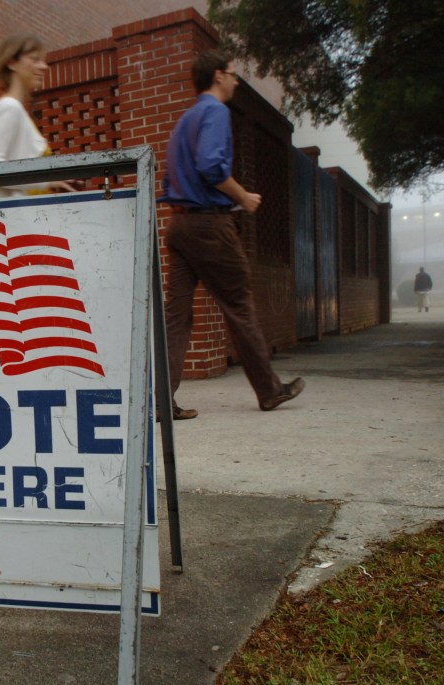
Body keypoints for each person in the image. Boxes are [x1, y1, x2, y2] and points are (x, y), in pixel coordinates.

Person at [160, 49, 304, 420]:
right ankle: (270, 391)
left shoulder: (183, 122)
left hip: (178, 225)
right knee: (238, 305)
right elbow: (211, 165)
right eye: (233, 74)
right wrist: (243, 196)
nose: (237, 81)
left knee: (176, 316)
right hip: (210, 224)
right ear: (218, 76)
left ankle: (160, 400)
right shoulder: (214, 112)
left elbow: (168, 177)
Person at [0, 34, 76, 199]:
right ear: (11, 62)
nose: (44, 66)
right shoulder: (9, 107)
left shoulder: (13, 109)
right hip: (16, 218)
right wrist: (46, 181)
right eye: (35, 59)